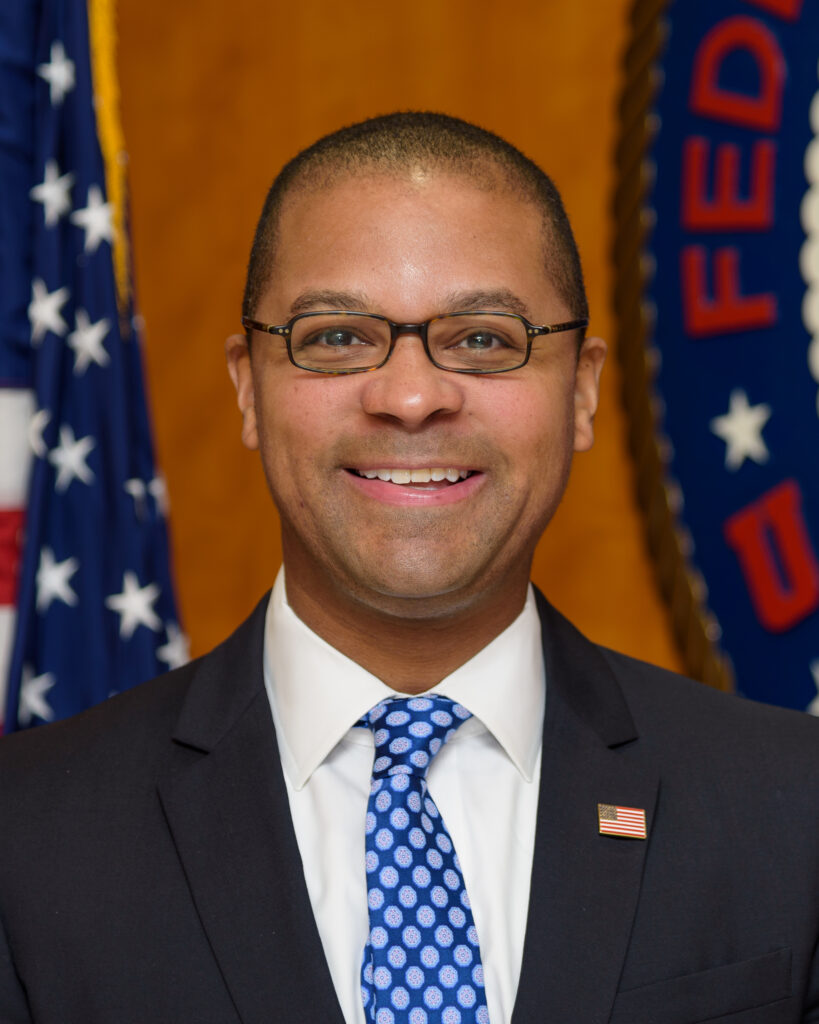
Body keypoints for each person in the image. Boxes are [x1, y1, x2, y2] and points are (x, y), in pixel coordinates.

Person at [1, 112, 818, 1024]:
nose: (412, 396)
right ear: (248, 388)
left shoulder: (795, 811)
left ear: (581, 389)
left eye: (483, 338)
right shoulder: (25, 838)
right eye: (336, 337)